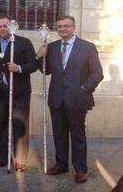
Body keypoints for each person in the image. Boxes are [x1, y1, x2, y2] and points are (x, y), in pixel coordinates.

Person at [37, 15, 103, 183]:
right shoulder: (51, 47)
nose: (62, 29)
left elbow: (97, 74)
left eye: (66, 26)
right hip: (57, 98)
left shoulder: (87, 47)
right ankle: (61, 164)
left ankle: (81, 169)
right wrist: (40, 56)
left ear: (74, 27)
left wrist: (83, 89)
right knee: (59, 134)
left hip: (78, 99)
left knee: (77, 135)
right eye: (59, 27)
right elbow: (45, 71)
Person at [0, 16, 37, 172]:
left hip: (20, 92)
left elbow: (33, 64)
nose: (2, 28)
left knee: (20, 126)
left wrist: (19, 68)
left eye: (5, 26)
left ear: (12, 27)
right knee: (1, 125)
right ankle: (4, 156)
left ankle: (20, 159)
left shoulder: (24, 43)